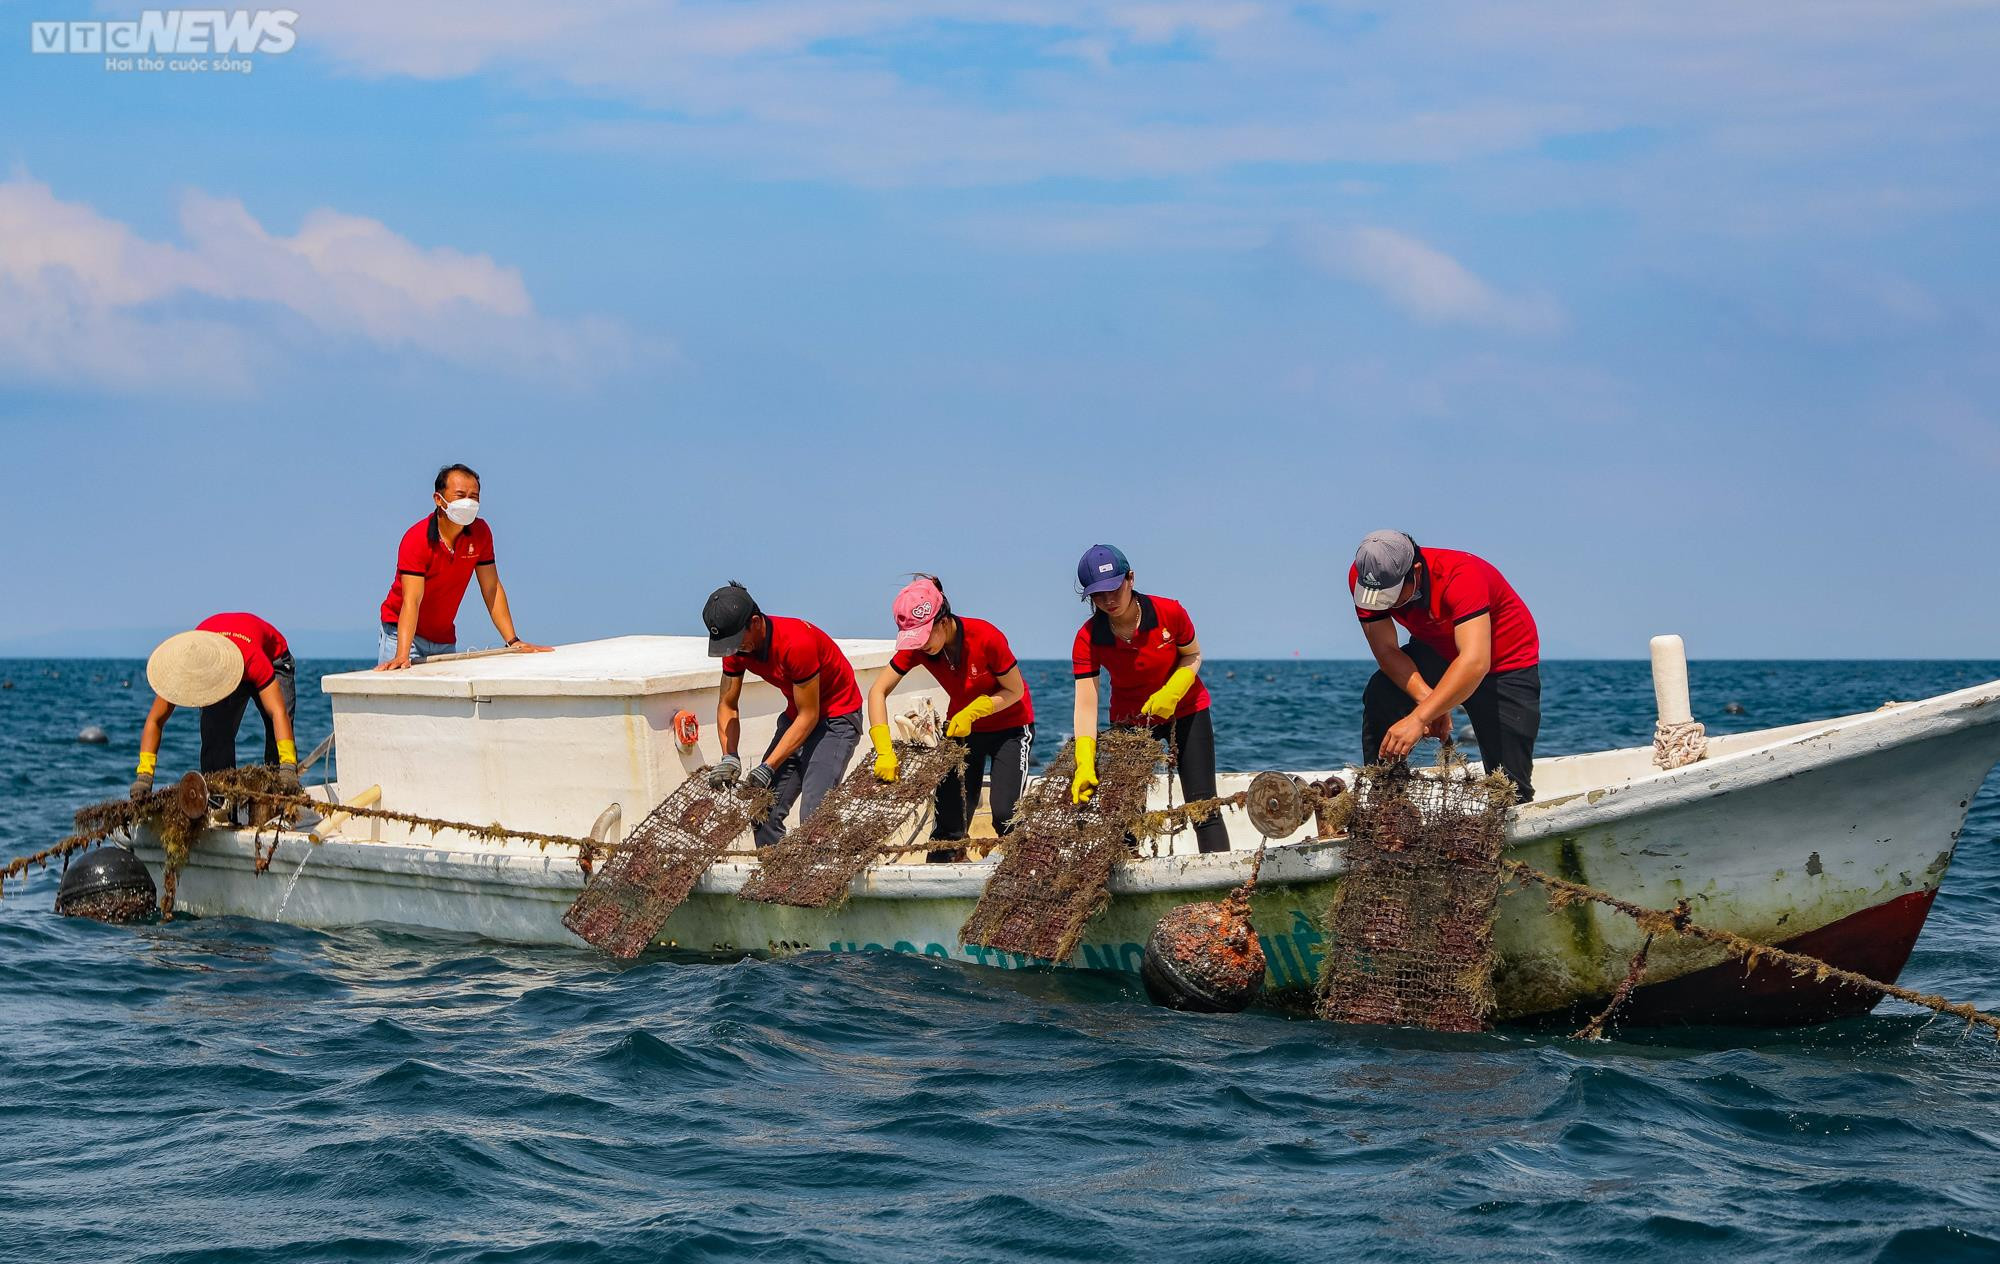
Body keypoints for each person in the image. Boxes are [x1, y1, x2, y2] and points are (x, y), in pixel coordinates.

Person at [1349, 529, 1542, 802]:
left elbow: (1474, 662)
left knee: (1509, 787)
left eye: (1389, 594)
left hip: (1504, 661)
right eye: (1375, 594)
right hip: (1437, 646)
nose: (1381, 602)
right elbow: (1386, 649)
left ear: (1415, 572)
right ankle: (1387, 807)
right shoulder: (1367, 578)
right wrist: (1429, 702)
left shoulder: (1461, 576)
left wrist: (1419, 718)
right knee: (1382, 691)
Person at [1068, 544, 1229, 854]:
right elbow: (1086, 705)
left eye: (1114, 588)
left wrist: (1173, 690)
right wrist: (1084, 761)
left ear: (1130, 578)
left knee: (1203, 808)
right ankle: (1125, 889)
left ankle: (1224, 893)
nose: (1109, 600)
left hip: (1186, 710)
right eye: (1098, 595)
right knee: (1124, 816)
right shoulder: (1087, 638)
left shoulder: (1170, 612)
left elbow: (1192, 654)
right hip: (1130, 721)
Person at [865, 576, 1034, 856]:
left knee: (1005, 815)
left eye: (924, 637)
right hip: (962, 731)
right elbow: (877, 691)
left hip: (1011, 727)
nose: (920, 646)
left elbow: (1014, 690)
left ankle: (1023, 870)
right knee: (949, 823)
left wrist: (976, 710)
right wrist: (883, 748)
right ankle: (944, 870)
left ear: (943, 621)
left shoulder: (986, 636)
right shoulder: (919, 649)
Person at [702, 582, 864, 847]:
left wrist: (769, 766)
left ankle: (818, 881)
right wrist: (729, 755)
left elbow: (810, 715)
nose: (732, 649)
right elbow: (728, 704)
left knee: (815, 817)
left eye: (735, 641)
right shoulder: (736, 649)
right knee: (761, 812)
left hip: (836, 718)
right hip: (796, 716)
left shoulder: (795, 643)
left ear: (755, 622)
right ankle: (780, 881)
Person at [376, 463, 550, 669]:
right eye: (460, 495)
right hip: (402, 636)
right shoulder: (417, 539)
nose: (468, 502)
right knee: (399, 693)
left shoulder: (481, 533)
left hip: (444, 638)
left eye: (474, 496)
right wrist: (402, 655)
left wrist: (513, 642)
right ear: (438, 500)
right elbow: (412, 600)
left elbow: (491, 588)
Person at [132, 614, 300, 800]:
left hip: (272, 659)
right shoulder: (186, 663)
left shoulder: (254, 660)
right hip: (225, 656)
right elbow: (155, 720)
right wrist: (144, 776)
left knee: (276, 734)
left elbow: (277, 712)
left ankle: (279, 794)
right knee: (215, 739)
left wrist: (288, 767)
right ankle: (221, 801)